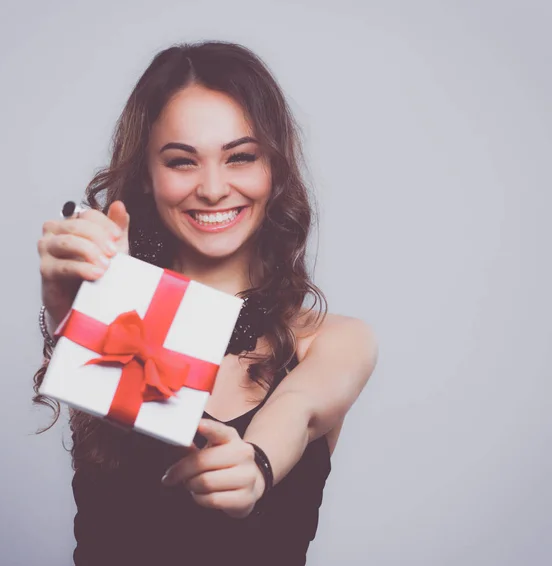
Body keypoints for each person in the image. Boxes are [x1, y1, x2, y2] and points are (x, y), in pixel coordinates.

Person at [33, 41, 378, 566]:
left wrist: (255, 464)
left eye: (240, 156)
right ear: (147, 176)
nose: (213, 188)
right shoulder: (116, 311)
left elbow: (298, 411)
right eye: (181, 161)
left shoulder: (332, 341)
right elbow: (119, 375)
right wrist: (72, 310)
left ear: (274, 169)